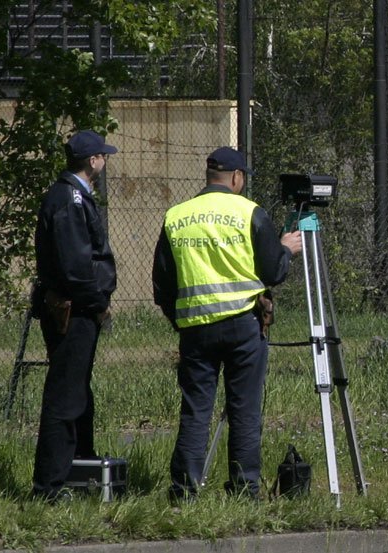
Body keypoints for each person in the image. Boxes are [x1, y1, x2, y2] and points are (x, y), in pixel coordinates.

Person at [152, 147, 302, 501]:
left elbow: (163, 284)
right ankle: (244, 490)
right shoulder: (250, 212)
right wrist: (286, 249)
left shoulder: (176, 216)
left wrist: (183, 320)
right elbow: (273, 271)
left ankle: (184, 491)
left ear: (208, 177)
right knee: (244, 410)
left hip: (195, 330)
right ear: (237, 178)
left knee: (195, 411)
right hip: (243, 325)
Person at [31, 129, 118, 503]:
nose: (105, 161)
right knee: (65, 397)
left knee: (77, 391)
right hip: (74, 309)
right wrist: (97, 303)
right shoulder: (69, 199)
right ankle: (48, 487)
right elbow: (75, 264)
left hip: (79, 307)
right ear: (93, 160)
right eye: (103, 156)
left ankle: (79, 468)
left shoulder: (74, 196)